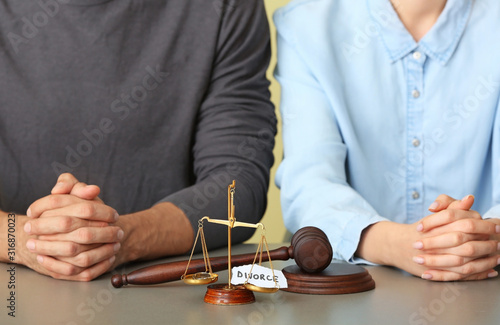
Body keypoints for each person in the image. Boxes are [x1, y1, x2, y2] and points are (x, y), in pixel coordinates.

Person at [0, 0, 276, 281]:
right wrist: (21, 240)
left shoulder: (227, 6)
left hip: (166, 293)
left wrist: (119, 237)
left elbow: (237, 184)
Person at [275, 0, 500, 281]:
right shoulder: (305, 26)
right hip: (349, 290)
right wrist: (400, 245)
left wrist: (481, 240)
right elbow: (309, 183)